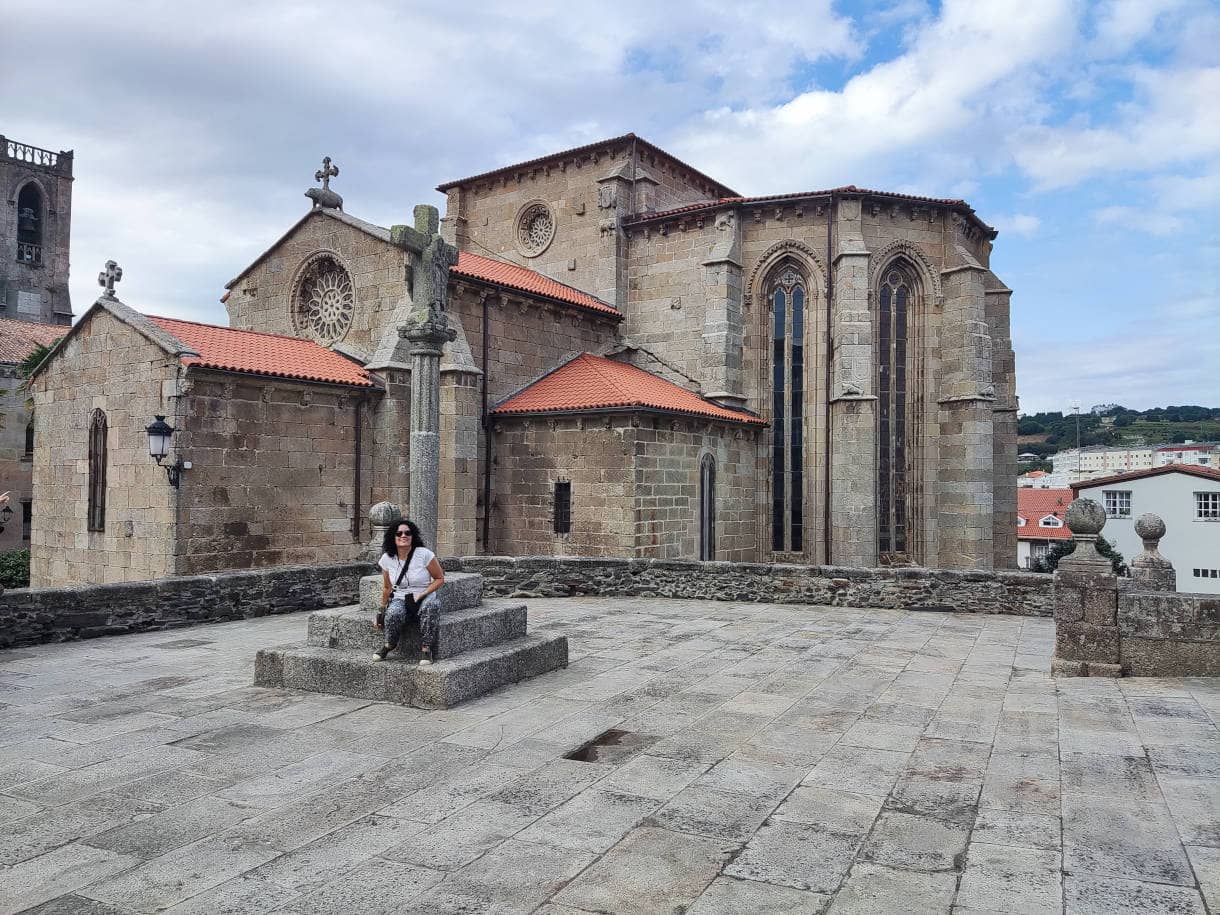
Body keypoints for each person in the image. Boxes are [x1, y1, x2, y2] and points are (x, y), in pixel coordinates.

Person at [374, 518, 444, 665]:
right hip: (401, 596)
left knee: (431, 606)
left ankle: (426, 649)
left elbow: (439, 578)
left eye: (407, 532)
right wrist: (381, 612)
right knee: (393, 614)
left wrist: (423, 593)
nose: (403, 536)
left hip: (423, 594)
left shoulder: (424, 554)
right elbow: (387, 587)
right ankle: (390, 644)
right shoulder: (387, 558)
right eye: (399, 533)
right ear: (393, 537)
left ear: (413, 536)